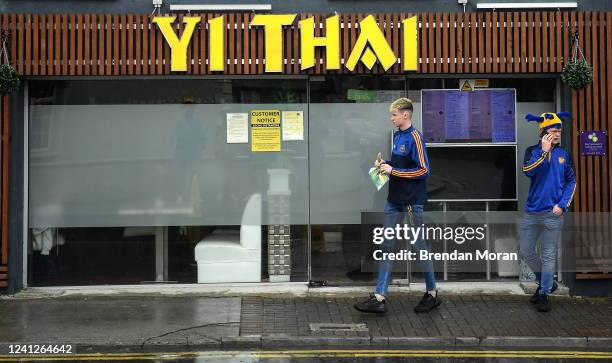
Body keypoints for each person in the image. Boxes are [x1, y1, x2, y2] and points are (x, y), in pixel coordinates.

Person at [354, 98, 440, 314]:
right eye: (391, 115)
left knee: (419, 247)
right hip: (394, 200)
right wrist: (386, 166)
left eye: (394, 115)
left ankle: (432, 293)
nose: (391, 118)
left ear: (405, 115)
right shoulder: (398, 136)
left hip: (412, 202)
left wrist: (394, 171)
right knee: (387, 247)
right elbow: (400, 165)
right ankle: (379, 297)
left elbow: (424, 170)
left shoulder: (415, 137)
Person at [520, 112, 576, 312]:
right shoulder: (531, 151)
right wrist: (543, 152)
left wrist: (562, 204)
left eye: (559, 130)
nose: (558, 134)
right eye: (554, 131)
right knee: (526, 251)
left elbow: (572, 181)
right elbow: (528, 171)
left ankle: (543, 293)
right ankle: (548, 282)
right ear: (543, 133)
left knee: (549, 253)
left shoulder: (564, 155)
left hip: (554, 213)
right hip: (532, 211)